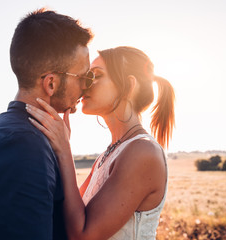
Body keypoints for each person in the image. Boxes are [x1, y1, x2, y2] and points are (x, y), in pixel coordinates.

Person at [0, 8, 93, 239]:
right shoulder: (22, 146)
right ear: (50, 84)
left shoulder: (18, 132)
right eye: (83, 77)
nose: (86, 87)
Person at [27, 46, 175, 239]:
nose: (85, 84)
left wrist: (64, 149)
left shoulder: (143, 151)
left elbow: (82, 235)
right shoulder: (109, 155)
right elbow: (71, 215)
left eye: (96, 76)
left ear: (129, 86)